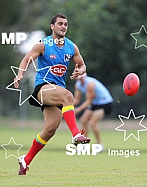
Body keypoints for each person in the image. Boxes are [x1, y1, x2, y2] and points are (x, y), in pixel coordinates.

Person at [14, 13, 90, 175]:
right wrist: (20, 74)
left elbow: (82, 65)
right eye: (60, 24)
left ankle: (25, 160)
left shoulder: (71, 47)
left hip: (57, 91)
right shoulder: (43, 45)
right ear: (52, 27)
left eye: (66, 24)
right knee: (68, 96)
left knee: (50, 130)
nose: (63, 26)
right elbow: (27, 59)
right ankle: (76, 134)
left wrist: (79, 71)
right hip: (43, 88)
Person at [74, 73, 113, 146]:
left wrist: (78, 109)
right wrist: (66, 106)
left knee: (92, 122)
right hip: (95, 103)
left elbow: (89, 101)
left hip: (104, 103)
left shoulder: (90, 84)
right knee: (83, 120)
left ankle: (99, 145)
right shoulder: (78, 85)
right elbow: (76, 100)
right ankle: (84, 144)